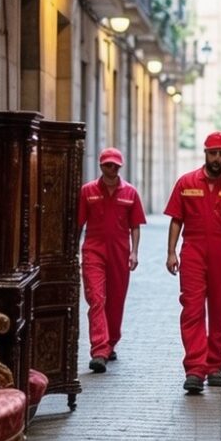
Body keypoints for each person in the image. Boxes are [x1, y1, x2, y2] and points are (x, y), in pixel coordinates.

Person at [164, 131, 221, 394]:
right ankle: (195, 369)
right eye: (213, 153)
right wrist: (171, 252)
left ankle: (214, 365)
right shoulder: (186, 182)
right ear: (205, 153)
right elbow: (176, 219)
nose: (217, 158)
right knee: (191, 308)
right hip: (193, 250)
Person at [78, 147, 146, 372]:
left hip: (119, 252)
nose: (112, 168)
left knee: (116, 300)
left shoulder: (130, 193)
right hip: (93, 250)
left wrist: (134, 252)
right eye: (108, 165)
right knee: (96, 298)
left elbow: (135, 226)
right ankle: (99, 350)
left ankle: (111, 341)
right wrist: (74, 252)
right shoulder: (87, 191)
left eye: (116, 165)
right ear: (101, 166)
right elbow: (79, 224)